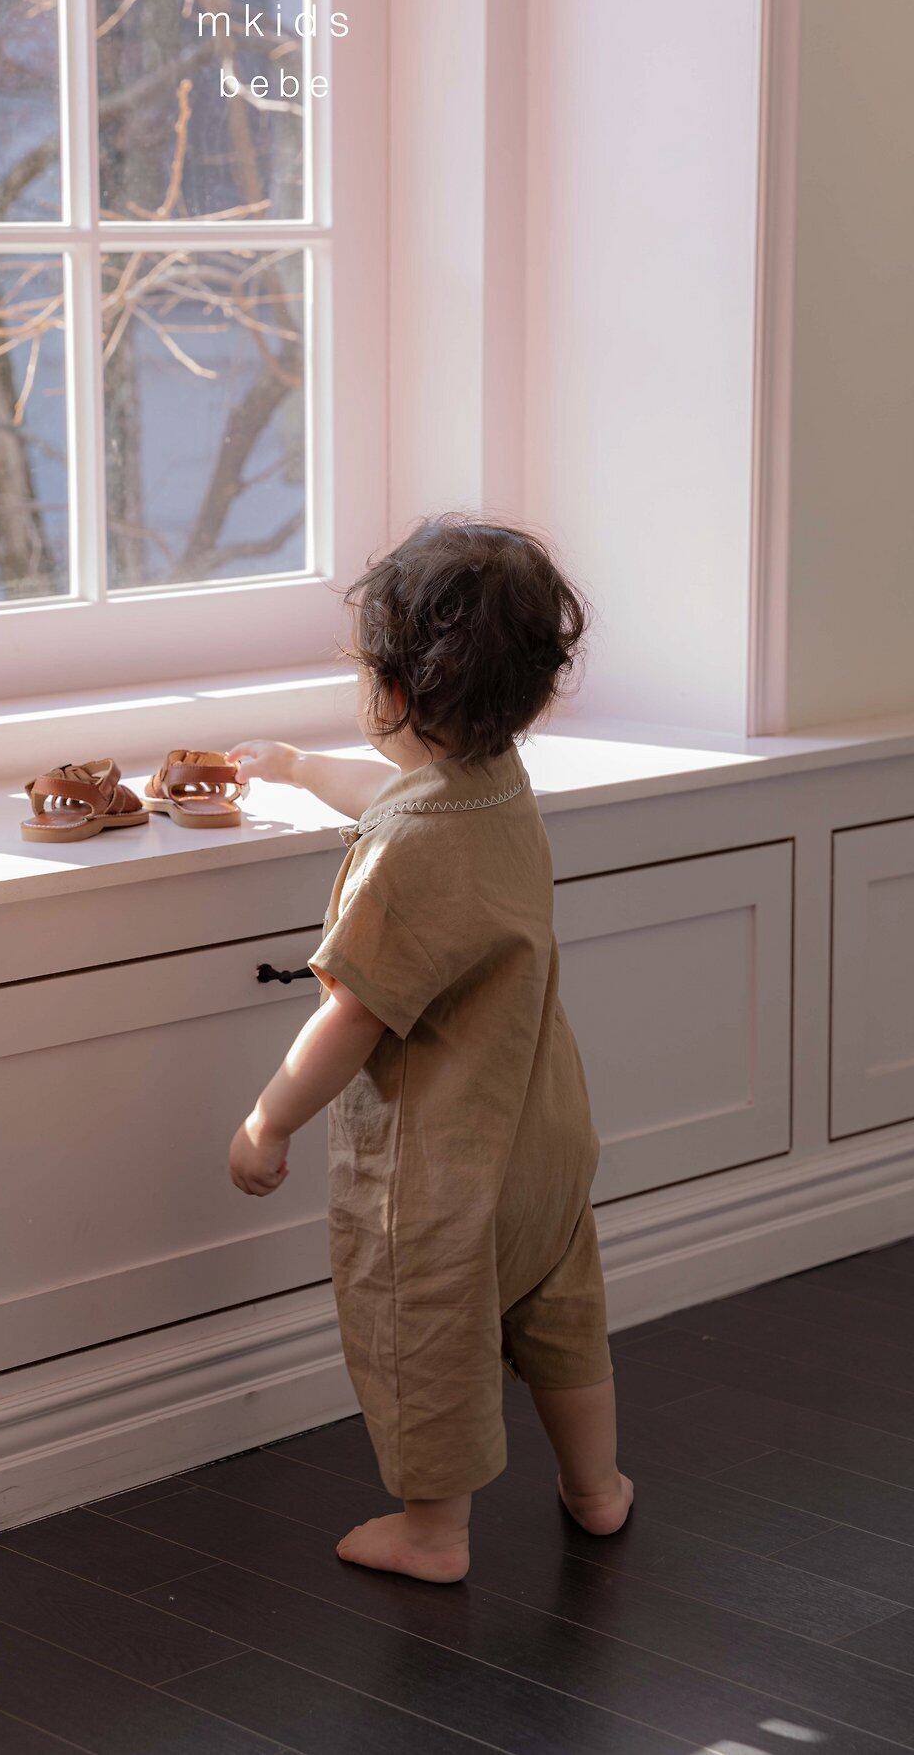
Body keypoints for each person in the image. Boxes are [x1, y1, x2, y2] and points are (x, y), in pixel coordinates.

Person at [226, 515, 632, 1584]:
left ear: (395, 692)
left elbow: (348, 1015)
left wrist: (268, 1118)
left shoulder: (405, 854)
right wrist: (295, 768)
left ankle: (433, 1532)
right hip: (541, 1138)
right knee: (562, 1321)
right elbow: (399, 797)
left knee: (426, 1339)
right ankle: (595, 1487)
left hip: (443, 1167)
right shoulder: (496, 786)